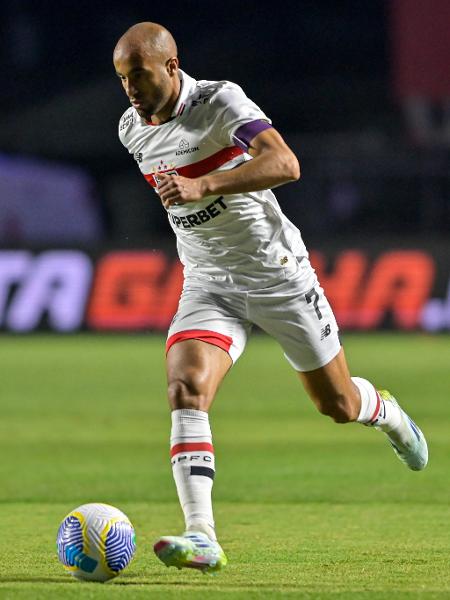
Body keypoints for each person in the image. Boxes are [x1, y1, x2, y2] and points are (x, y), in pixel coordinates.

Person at [113, 22, 428, 574]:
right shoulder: (130, 129)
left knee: (336, 406)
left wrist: (205, 185)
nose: (131, 89)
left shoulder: (218, 102)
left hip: (278, 276)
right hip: (209, 281)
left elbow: (285, 163)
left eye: (138, 74)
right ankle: (202, 534)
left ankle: (386, 412)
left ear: (170, 65)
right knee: (186, 389)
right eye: (122, 78)